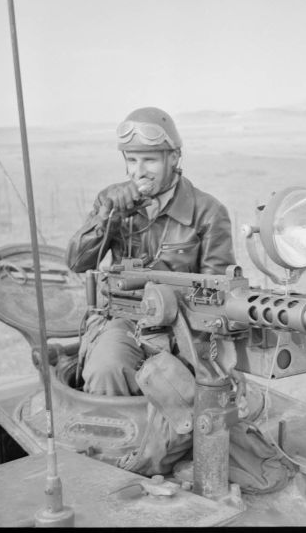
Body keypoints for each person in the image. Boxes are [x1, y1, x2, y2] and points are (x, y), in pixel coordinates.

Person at [66, 106, 236, 396]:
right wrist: (108, 218)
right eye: (131, 160)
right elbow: (77, 262)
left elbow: (217, 296)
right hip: (124, 321)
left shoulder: (208, 212)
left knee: (191, 392)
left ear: (174, 157)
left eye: (149, 160)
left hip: (186, 328)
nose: (139, 171)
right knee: (106, 370)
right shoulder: (111, 202)